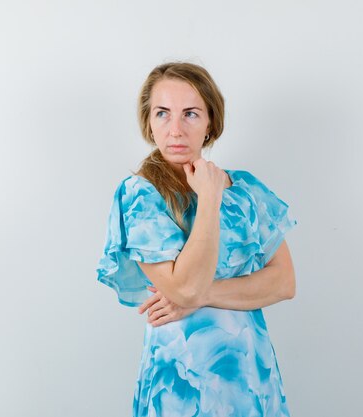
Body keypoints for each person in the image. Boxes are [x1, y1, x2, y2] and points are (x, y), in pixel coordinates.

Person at [96, 62, 297, 416]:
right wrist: (208, 199)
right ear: (149, 122)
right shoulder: (141, 195)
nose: (175, 129)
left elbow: (284, 282)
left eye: (190, 113)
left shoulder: (246, 189)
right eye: (162, 113)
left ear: (210, 123)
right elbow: (184, 288)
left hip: (250, 377)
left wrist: (202, 296)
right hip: (181, 383)